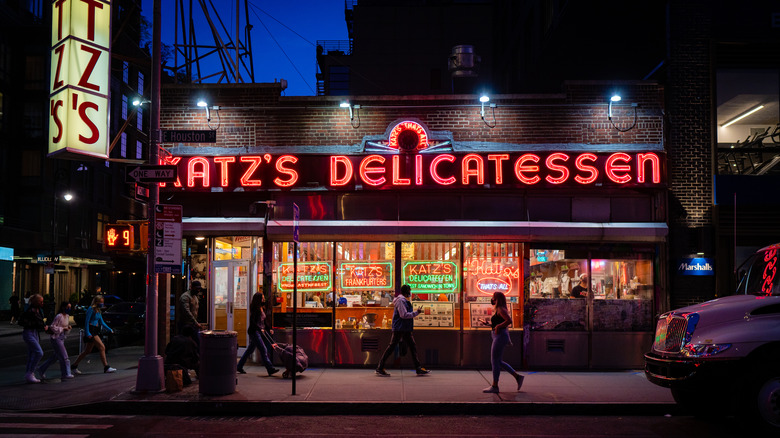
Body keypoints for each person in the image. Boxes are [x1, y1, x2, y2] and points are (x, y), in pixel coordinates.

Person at [375, 284, 430, 377]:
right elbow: (403, 315)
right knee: (393, 347)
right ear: (407, 291)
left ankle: (418, 368)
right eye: (410, 290)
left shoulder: (402, 300)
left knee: (412, 347)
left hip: (404, 328)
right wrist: (416, 313)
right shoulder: (401, 301)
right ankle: (380, 367)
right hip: (400, 328)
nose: (410, 292)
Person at [482, 292, 524, 393]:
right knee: (498, 361)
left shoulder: (500, 309)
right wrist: (489, 324)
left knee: (494, 361)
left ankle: (495, 386)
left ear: (497, 299)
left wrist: (498, 326)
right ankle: (517, 377)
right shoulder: (499, 309)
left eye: (493, 298)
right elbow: (498, 323)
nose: (492, 299)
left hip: (500, 336)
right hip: (498, 335)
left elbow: (509, 321)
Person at [237, 292, 280, 376]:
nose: (263, 299)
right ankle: (270, 368)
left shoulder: (261, 307)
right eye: (262, 298)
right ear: (258, 299)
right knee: (263, 349)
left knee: (250, 350)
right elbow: (253, 322)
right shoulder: (255, 309)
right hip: (255, 332)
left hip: (258, 331)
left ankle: (239, 366)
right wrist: (261, 329)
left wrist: (268, 329)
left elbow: (263, 321)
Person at [71, 296, 116, 374]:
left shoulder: (98, 310)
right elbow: (86, 322)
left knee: (87, 351)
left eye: (103, 302)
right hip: (91, 330)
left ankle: (74, 365)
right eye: (101, 302)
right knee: (102, 347)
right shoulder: (91, 309)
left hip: (95, 330)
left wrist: (109, 329)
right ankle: (106, 367)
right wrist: (87, 332)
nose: (102, 304)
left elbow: (102, 322)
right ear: (96, 302)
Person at [37, 302, 75, 380]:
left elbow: (65, 328)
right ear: (63, 307)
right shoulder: (59, 316)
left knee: (55, 357)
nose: (69, 309)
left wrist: (67, 328)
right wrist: (63, 328)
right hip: (56, 338)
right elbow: (53, 327)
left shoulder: (67, 316)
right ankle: (66, 373)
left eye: (70, 307)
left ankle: (41, 369)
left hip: (62, 337)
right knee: (64, 356)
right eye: (68, 307)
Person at [18, 294, 48, 383]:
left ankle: (29, 374)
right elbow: (37, 322)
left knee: (32, 354)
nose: (42, 303)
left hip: (34, 332)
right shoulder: (31, 310)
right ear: (36, 302)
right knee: (39, 352)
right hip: (29, 332)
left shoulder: (37, 310)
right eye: (41, 301)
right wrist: (43, 326)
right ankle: (30, 373)